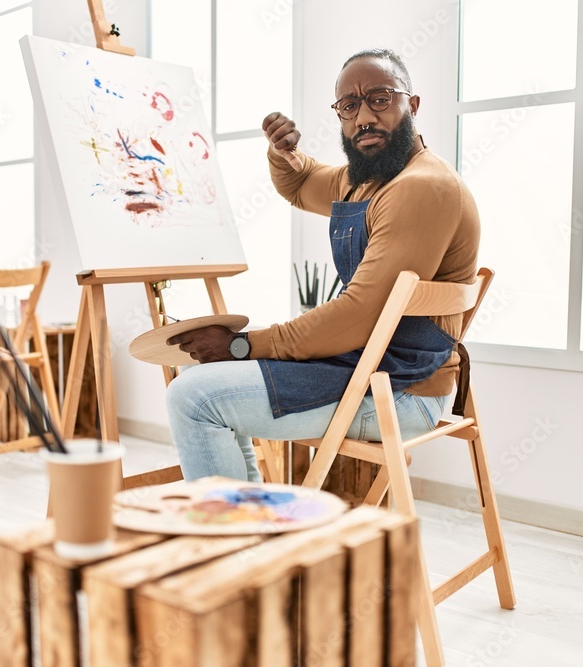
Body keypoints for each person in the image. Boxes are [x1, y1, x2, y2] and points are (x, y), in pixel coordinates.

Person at [165, 48, 480, 482]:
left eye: (380, 98)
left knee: (193, 398)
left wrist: (241, 345)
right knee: (200, 377)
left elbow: (359, 314)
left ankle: (235, 540)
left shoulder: (422, 188)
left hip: (400, 391)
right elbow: (299, 184)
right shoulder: (366, 179)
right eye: (349, 106)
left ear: (413, 105)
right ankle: (251, 527)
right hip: (368, 367)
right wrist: (282, 153)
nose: (364, 117)